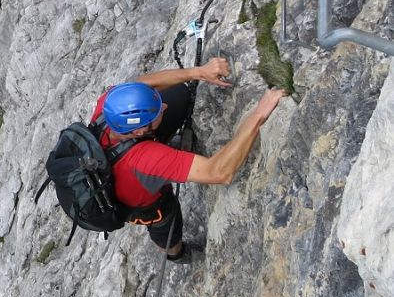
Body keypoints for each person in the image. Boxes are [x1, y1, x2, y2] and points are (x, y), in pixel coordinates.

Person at [91, 59, 286, 262]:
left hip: (129, 156)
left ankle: (165, 142)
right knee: (166, 224)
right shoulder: (145, 161)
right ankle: (178, 255)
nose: (164, 106)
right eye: (157, 111)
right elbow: (219, 172)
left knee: (178, 95)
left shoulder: (112, 105)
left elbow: (144, 83)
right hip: (142, 201)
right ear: (139, 131)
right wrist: (259, 114)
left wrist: (200, 72)